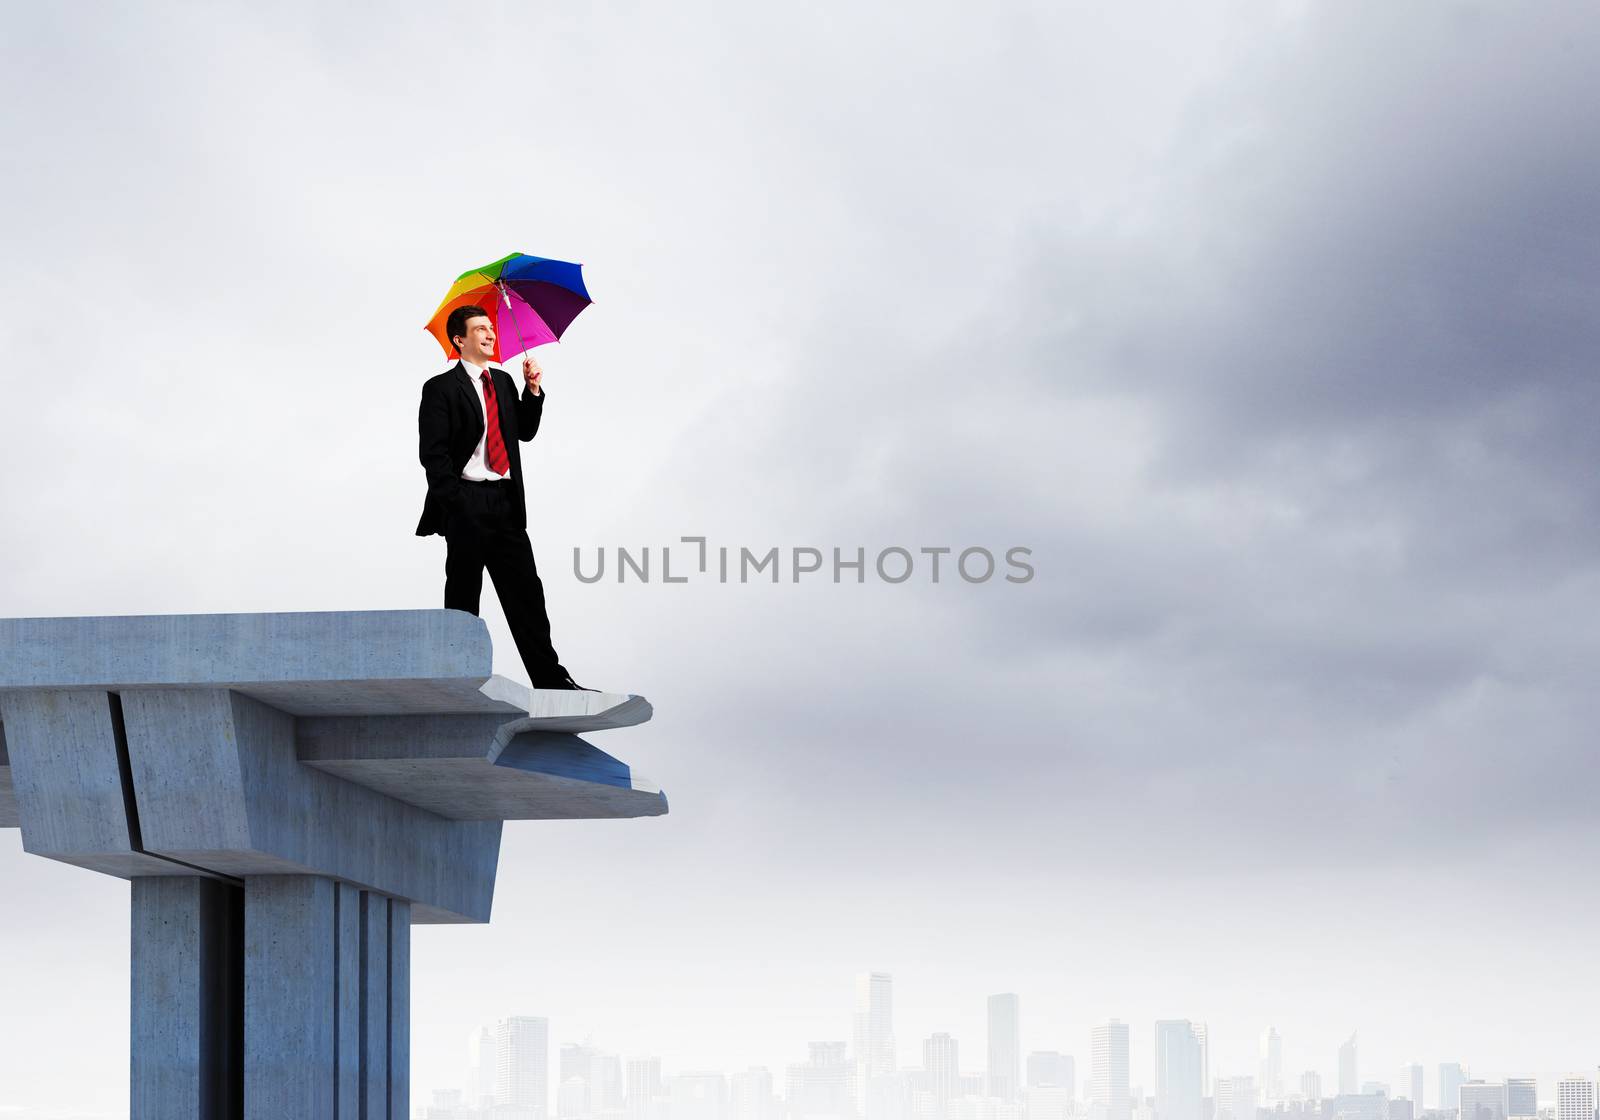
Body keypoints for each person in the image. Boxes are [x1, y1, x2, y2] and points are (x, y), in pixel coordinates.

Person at [414, 304, 585, 690]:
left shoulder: (504, 382)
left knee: (527, 594)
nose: (490, 335)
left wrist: (533, 388)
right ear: (460, 340)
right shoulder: (440, 388)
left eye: (491, 328)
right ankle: (458, 679)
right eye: (480, 329)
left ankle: (552, 681)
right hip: (466, 502)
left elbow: (523, 431)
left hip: (506, 503)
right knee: (463, 595)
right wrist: (456, 502)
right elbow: (433, 455)